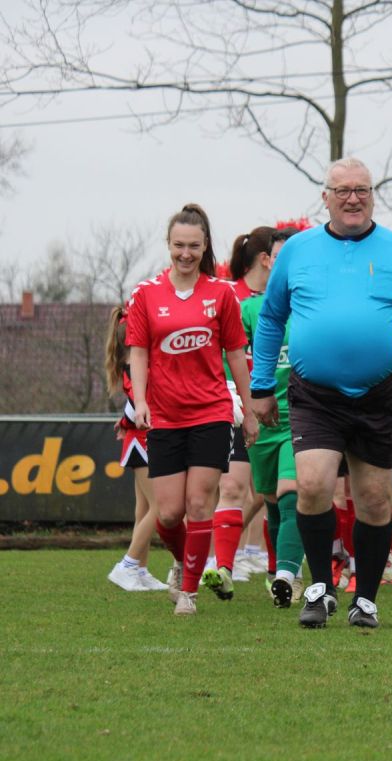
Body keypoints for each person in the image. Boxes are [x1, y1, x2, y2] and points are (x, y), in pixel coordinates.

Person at [250, 157, 392, 629]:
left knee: (375, 499)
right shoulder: (297, 250)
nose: (352, 198)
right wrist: (259, 386)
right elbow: (272, 317)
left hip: (379, 395)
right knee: (313, 485)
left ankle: (367, 599)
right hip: (315, 394)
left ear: (373, 194)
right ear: (326, 198)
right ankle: (319, 589)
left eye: (361, 190)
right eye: (342, 191)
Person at [126, 203, 259, 616]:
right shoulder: (146, 294)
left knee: (200, 505)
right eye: (178, 245)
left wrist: (249, 410)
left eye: (194, 246)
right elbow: (138, 352)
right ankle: (186, 562)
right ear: (168, 245)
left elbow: (237, 356)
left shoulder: (221, 295)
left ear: (205, 248)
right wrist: (142, 401)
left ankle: (188, 593)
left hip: (211, 413)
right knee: (167, 514)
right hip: (164, 416)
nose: (186, 253)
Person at [203, 225, 275, 600]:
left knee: (269, 491)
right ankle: (217, 561)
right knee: (230, 486)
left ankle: (268, 561)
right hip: (232, 403)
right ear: (266, 259)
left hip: (276, 409)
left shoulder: (281, 299)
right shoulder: (229, 295)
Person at [241, 226, 307, 608]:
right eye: (280, 259)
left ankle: (287, 574)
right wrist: (239, 400)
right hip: (261, 419)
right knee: (268, 498)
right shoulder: (250, 310)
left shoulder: (313, 310)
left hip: (301, 417)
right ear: (269, 262)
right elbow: (229, 358)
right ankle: (281, 569)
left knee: (289, 492)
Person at [104, 305, 170, 592]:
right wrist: (125, 421)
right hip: (143, 441)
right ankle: (128, 564)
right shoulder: (136, 361)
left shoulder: (133, 359)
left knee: (143, 506)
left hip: (139, 439)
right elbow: (136, 401)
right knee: (161, 505)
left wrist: (123, 422)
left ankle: (139, 569)